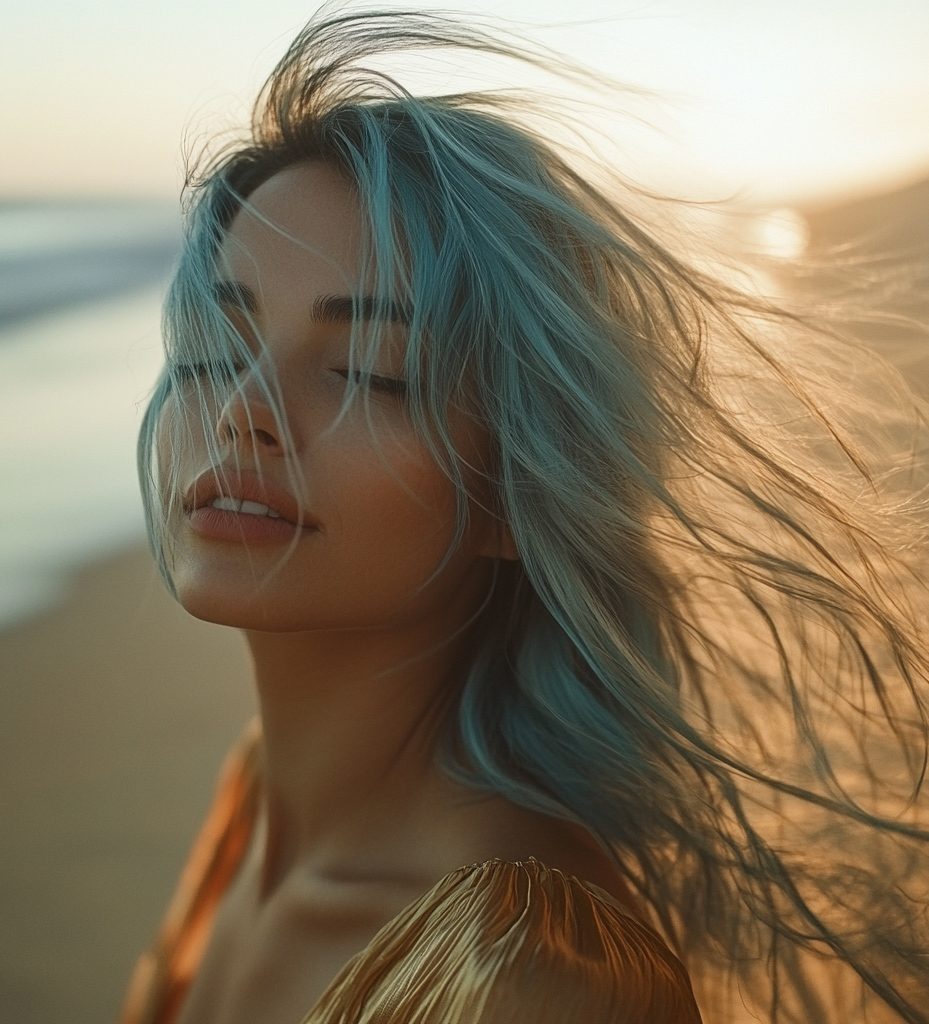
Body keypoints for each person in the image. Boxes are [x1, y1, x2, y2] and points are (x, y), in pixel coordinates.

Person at [119, 9, 929, 1023]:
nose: (245, 411)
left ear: (514, 492)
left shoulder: (531, 975)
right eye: (216, 347)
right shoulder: (252, 808)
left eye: (370, 373)